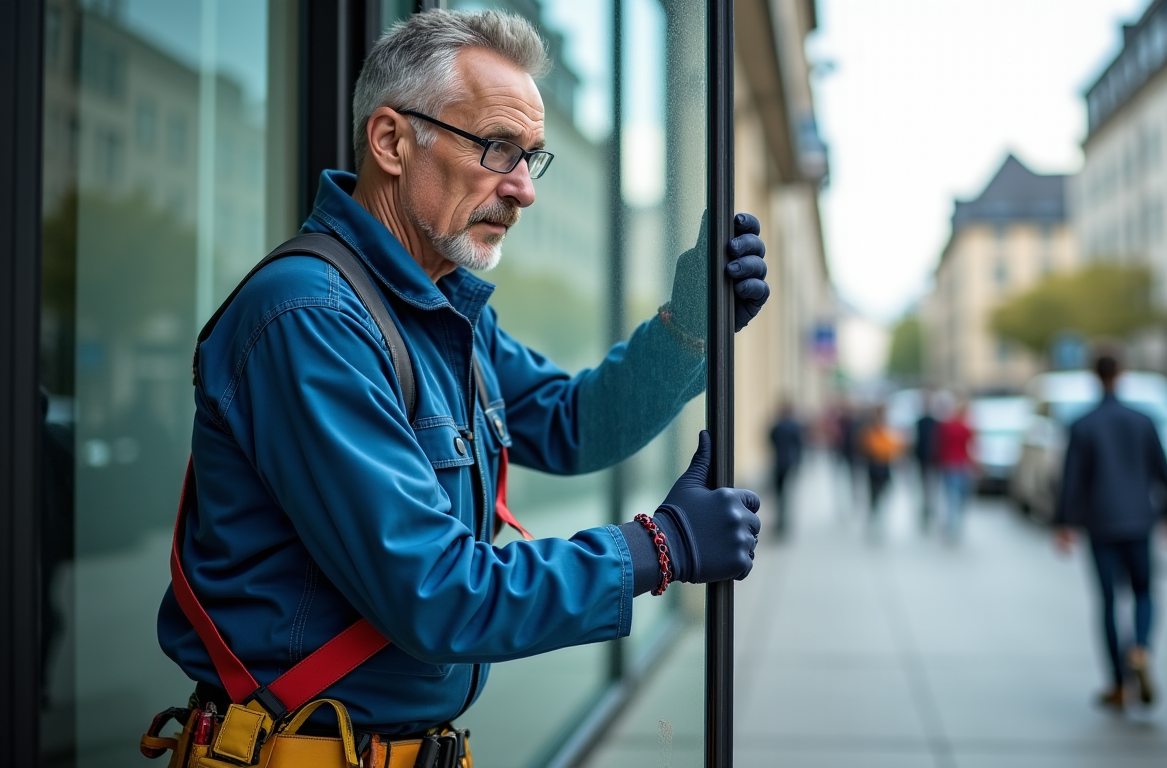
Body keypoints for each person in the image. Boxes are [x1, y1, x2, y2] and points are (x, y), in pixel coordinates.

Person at [148, 11, 770, 766]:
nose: (522, 189)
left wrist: (687, 329)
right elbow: (438, 591)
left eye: (530, 158)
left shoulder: (438, 309)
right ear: (391, 141)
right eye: (497, 148)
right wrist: (658, 546)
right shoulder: (310, 318)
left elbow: (573, 423)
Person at [1055, 354, 1167, 711]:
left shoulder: (1082, 424)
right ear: (1123, 374)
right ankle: (1141, 647)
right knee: (1144, 591)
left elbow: (1072, 480)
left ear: (1094, 377)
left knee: (1109, 601)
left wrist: (1063, 523)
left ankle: (1116, 683)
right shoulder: (1143, 420)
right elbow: (1163, 470)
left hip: (1101, 523)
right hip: (1140, 519)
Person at [936, 399, 975, 540]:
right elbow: (973, 446)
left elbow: (940, 444)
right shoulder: (966, 426)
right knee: (960, 497)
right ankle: (956, 525)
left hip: (950, 464)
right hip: (961, 464)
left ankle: (951, 524)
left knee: (951, 497)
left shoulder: (948, 425)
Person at [859, 406, 902, 523]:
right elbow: (869, 446)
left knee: (881, 490)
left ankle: (877, 512)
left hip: (883, 464)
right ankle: (874, 512)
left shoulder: (885, 428)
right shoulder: (873, 429)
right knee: (874, 491)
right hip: (875, 464)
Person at [768, 402, 806, 536]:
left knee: (779, 495)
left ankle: (780, 522)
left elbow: (770, 440)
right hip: (790, 463)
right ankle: (785, 522)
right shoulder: (795, 427)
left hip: (778, 463)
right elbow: (800, 445)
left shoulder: (777, 427)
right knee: (788, 495)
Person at [912, 393, 941, 533]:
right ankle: (926, 511)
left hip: (932, 461)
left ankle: (929, 511)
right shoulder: (920, 422)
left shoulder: (936, 422)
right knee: (926, 488)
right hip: (923, 461)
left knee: (930, 488)